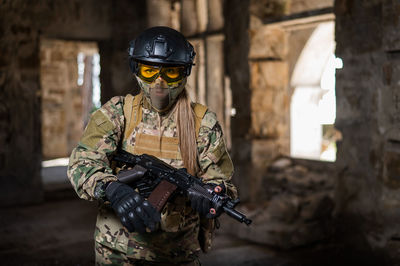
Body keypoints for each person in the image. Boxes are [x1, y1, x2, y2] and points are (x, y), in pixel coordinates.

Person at [67, 26, 237, 265]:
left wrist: (213, 194)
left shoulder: (203, 123)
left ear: (185, 72)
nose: (160, 82)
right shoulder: (118, 113)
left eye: (171, 73)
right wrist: (112, 189)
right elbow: (81, 163)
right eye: (150, 71)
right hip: (116, 252)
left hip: (177, 253)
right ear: (137, 70)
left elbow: (221, 181)